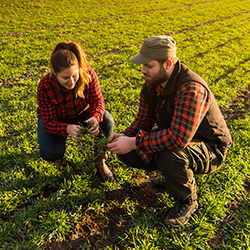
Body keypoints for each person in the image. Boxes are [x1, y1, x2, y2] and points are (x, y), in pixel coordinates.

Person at [107, 35, 232, 227]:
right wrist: (125, 136)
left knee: (169, 154)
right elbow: (143, 120)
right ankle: (172, 176)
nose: (143, 71)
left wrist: (134, 142)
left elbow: (177, 138)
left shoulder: (191, 88)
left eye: (149, 65)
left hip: (210, 147)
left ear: (169, 63)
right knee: (128, 153)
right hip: (179, 139)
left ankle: (187, 201)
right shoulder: (151, 85)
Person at [37, 41, 114, 181]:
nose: (71, 82)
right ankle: (57, 155)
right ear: (55, 73)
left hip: (82, 112)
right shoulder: (45, 86)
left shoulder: (88, 74)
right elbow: (48, 122)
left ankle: (100, 159)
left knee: (107, 121)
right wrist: (66, 128)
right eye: (65, 78)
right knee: (50, 153)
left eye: (74, 75)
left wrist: (95, 118)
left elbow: (98, 101)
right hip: (58, 119)